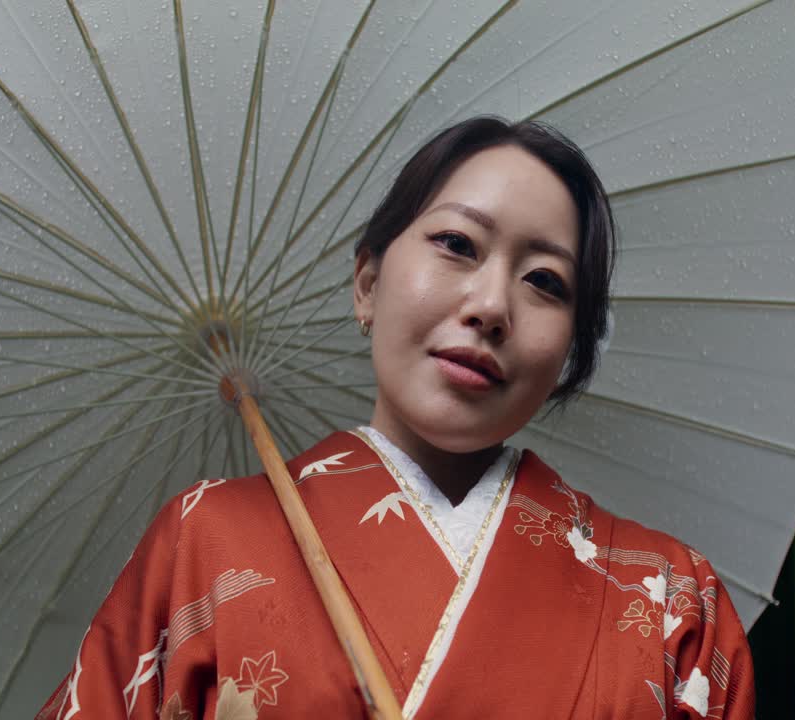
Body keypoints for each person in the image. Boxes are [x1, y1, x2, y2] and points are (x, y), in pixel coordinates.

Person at [37, 117, 755, 719]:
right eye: (456, 245)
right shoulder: (204, 543)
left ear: (570, 348)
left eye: (544, 280)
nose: (491, 306)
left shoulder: (674, 602)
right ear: (368, 282)